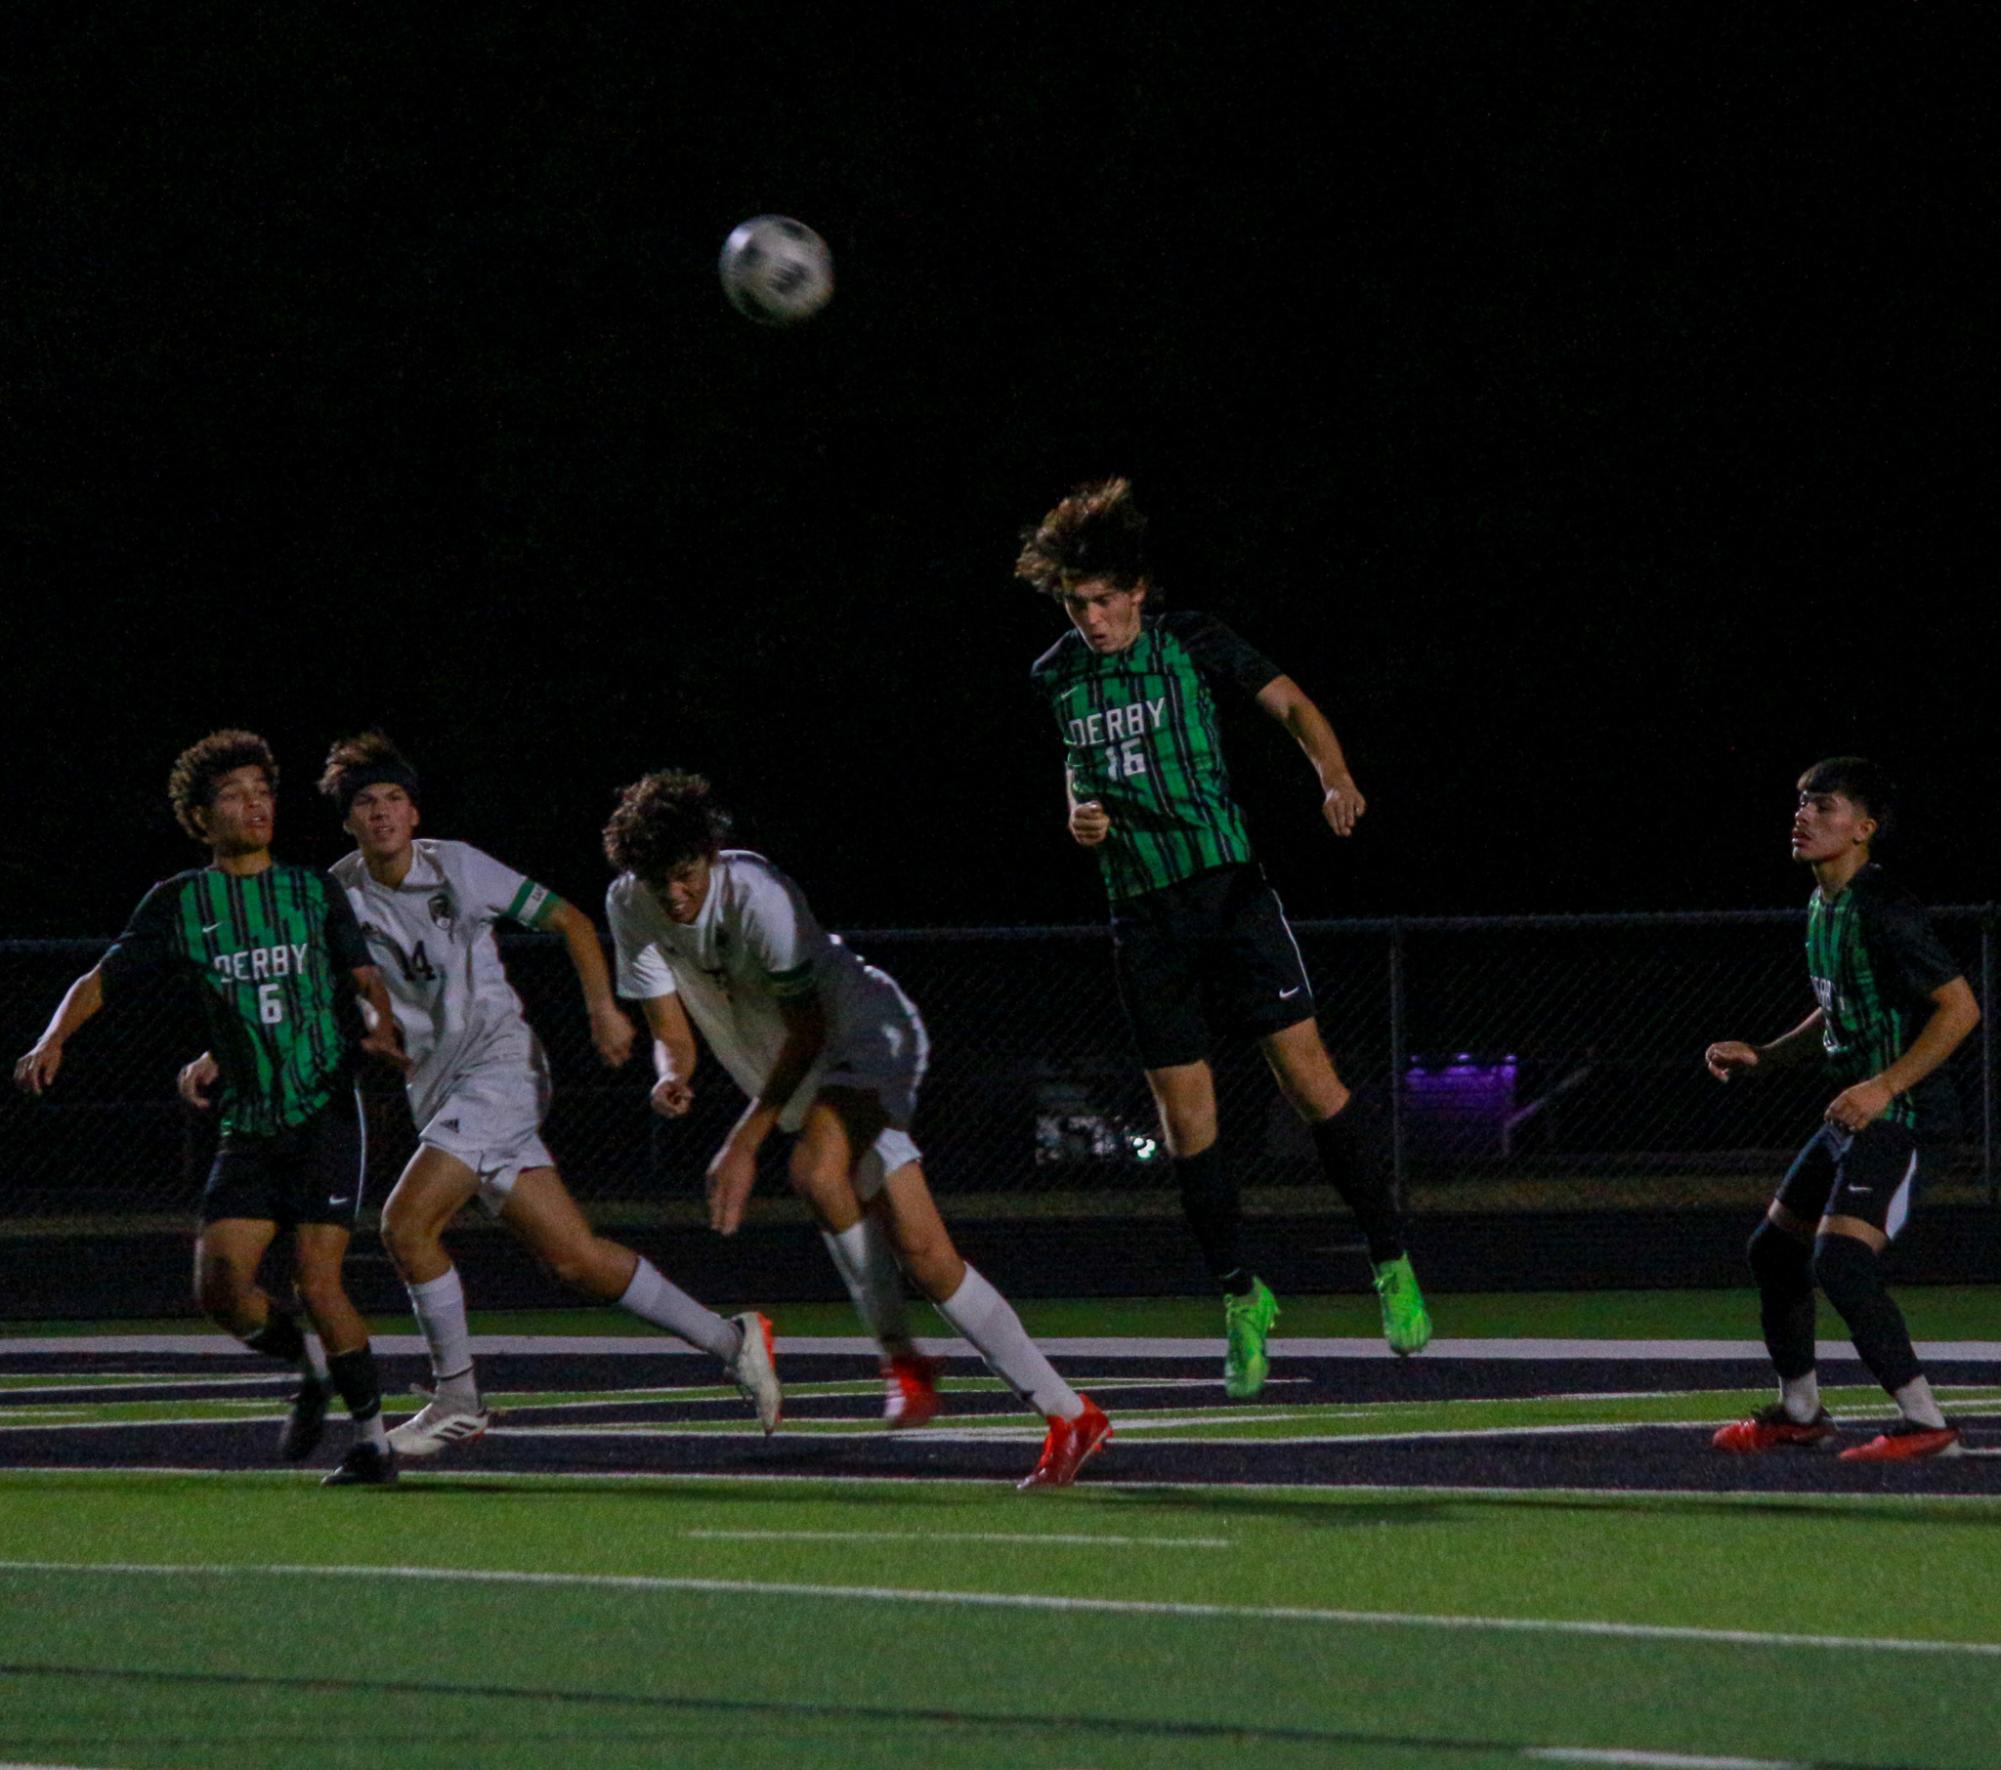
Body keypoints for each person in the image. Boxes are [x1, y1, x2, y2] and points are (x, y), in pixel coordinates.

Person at [1017, 477, 1430, 1396]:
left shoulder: (1192, 643)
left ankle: (1390, 1260)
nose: (1087, 617)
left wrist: (1333, 774)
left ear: (1134, 593)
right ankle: (1241, 1296)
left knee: (1311, 1082)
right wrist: (1080, 814)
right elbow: (1080, 775)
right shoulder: (1056, 673)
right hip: (1142, 914)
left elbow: (1291, 705)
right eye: (1073, 603)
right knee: (1185, 1126)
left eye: (1099, 601)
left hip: (1227, 891)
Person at [273, 732, 780, 1456]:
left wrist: (603, 1009)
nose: (381, 814)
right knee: (574, 1258)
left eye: (392, 800)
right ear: (348, 821)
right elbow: (303, 990)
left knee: (406, 1226)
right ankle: (732, 1341)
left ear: (413, 812)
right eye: (365, 804)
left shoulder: (460, 868)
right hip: (441, 1090)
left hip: (501, 1067)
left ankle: (458, 1397)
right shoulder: (336, 894)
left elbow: (569, 919)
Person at [603, 769, 1112, 1489]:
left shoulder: (760, 897)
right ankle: (1071, 1415)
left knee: (815, 1171)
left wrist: (744, 1141)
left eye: (686, 876)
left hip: (865, 1035)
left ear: (710, 856)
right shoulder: (631, 903)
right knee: (929, 1257)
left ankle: (898, 1356)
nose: (676, 896)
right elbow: (671, 1032)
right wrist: (668, 1073)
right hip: (791, 1069)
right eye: (662, 884)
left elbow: (808, 1030)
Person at [13, 730, 407, 1486]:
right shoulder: (181, 903)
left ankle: (373, 1444)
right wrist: (54, 1035)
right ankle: (310, 1364)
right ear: (201, 816)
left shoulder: (310, 889)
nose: (255, 804)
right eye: (234, 794)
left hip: (323, 1106)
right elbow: (102, 977)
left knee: (317, 1280)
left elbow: (361, 976)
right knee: (220, 1287)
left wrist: (378, 1023)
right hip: (249, 1122)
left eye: (263, 790)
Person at [1706, 758, 1980, 1462]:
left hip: (1908, 1116)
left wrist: (1884, 1086)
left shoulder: (1883, 906)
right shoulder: (1822, 902)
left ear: (1863, 829)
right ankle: (1799, 1413)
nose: (1803, 816)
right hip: (1855, 1115)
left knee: (1840, 1261)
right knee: (1772, 1251)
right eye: (1800, 803)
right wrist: (1764, 1055)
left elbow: (1959, 1009)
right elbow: (1833, 1010)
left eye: (1823, 807)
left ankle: (1924, 1424)